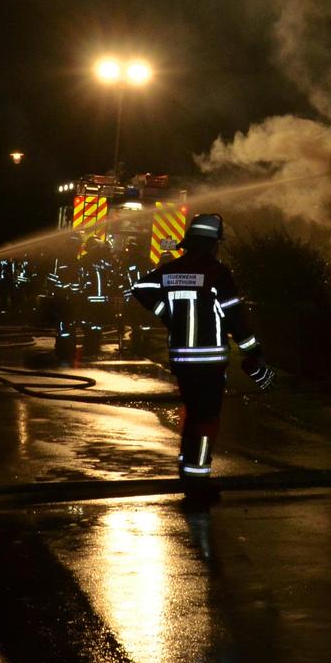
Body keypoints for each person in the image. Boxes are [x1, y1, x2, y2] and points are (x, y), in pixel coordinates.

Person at [129, 213, 274, 501]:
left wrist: (168, 314)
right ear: (213, 244)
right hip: (209, 363)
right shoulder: (218, 274)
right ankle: (197, 484)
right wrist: (253, 352)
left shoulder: (170, 270)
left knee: (195, 415)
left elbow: (141, 288)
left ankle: (188, 471)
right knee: (206, 419)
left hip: (182, 360)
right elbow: (236, 319)